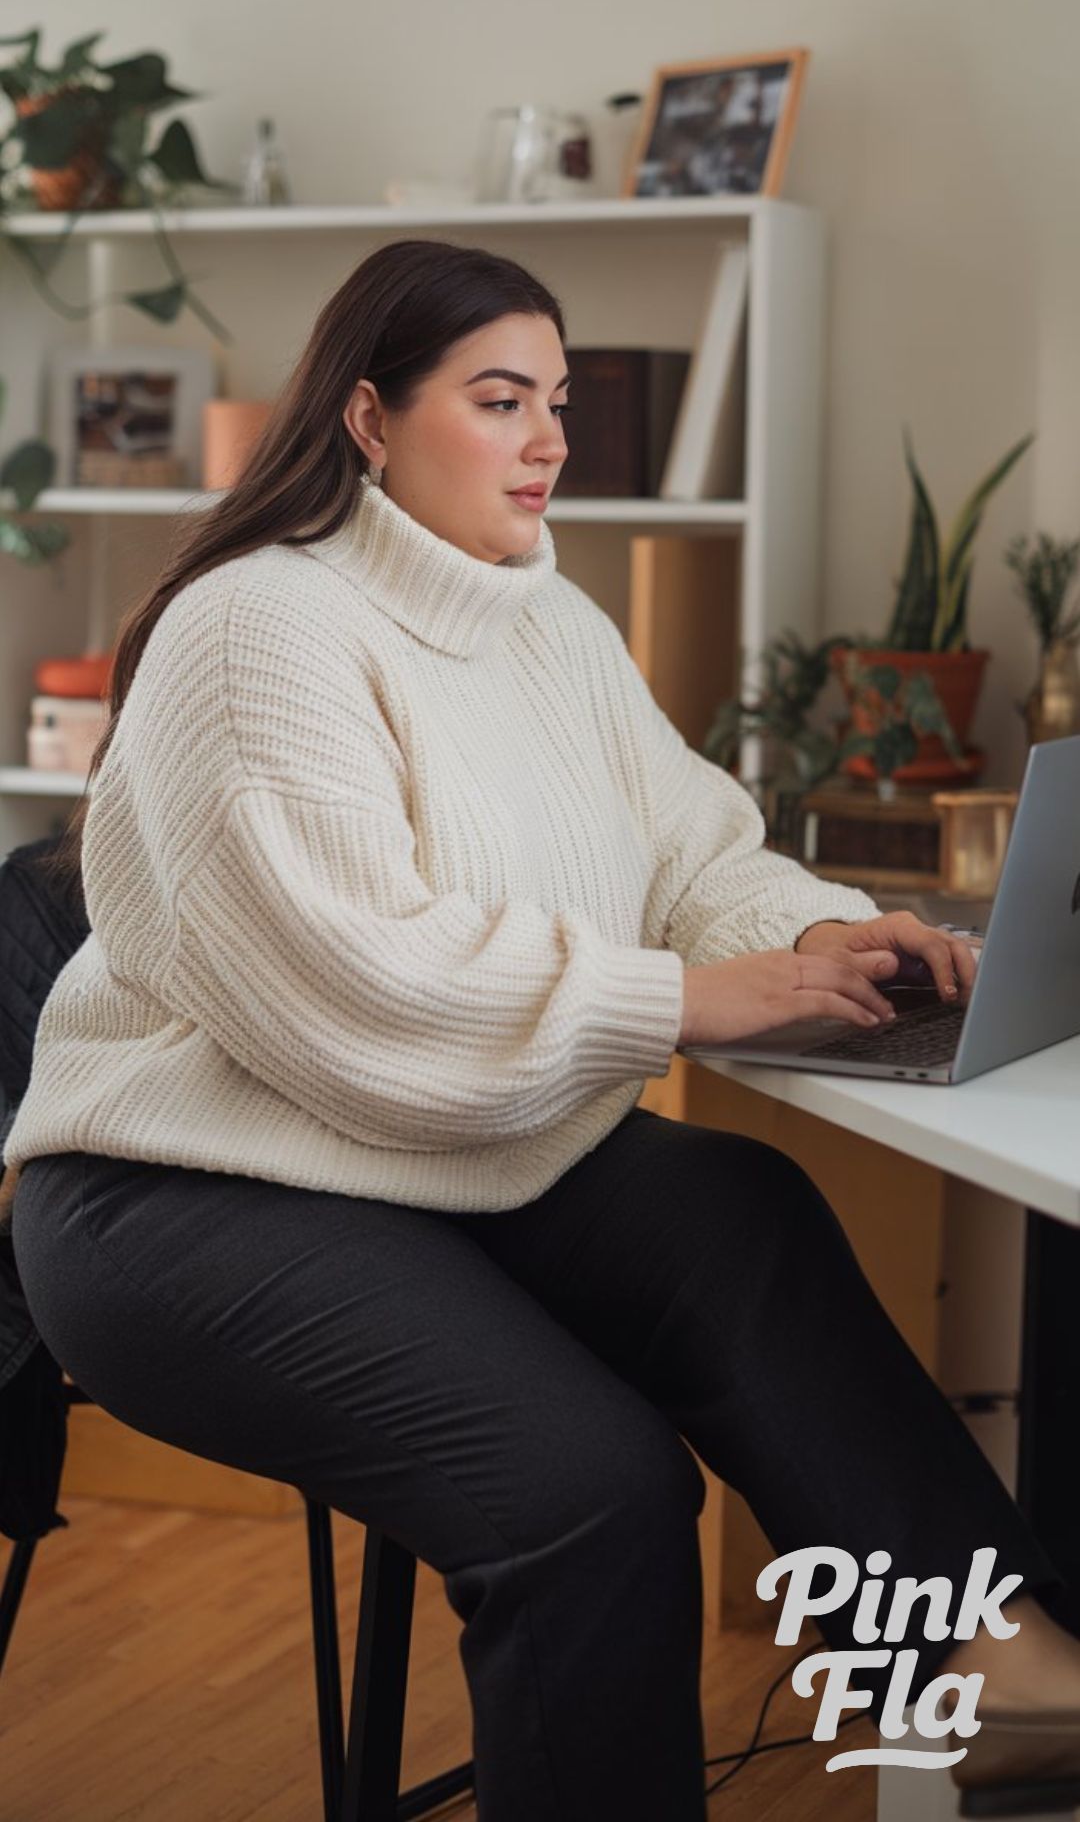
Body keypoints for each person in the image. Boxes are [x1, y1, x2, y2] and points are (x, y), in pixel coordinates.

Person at [7, 238, 1080, 1821]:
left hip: (435, 1152)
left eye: (558, 401)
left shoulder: (545, 618)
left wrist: (814, 937)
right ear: (368, 418)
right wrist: (689, 999)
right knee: (590, 1491)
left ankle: (982, 1675)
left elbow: (692, 846)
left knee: (743, 1216)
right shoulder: (257, 629)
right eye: (499, 399)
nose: (549, 438)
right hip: (189, 1193)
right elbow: (350, 981)